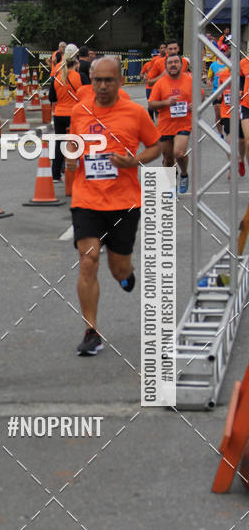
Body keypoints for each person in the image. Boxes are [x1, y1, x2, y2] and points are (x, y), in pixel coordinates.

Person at [65, 56, 161, 356]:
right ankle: (91, 331)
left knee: (117, 267)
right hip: (87, 197)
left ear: (120, 81)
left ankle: (126, 274)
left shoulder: (135, 113)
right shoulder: (80, 111)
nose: (103, 86)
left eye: (109, 80)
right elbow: (73, 142)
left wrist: (134, 160)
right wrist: (70, 154)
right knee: (88, 258)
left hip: (124, 201)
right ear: (90, 81)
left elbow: (156, 145)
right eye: (97, 80)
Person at [148, 53, 195, 192]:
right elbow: (151, 104)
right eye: (170, 63)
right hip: (165, 126)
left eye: (176, 62)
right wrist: (165, 102)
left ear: (181, 64)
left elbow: (201, 94)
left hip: (184, 123)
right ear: (166, 66)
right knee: (168, 159)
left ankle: (184, 174)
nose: (173, 65)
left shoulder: (189, 80)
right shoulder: (160, 83)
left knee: (179, 153)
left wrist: (195, 103)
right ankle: (171, 184)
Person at [51, 43, 82, 182]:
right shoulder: (78, 77)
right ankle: (78, 172)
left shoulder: (57, 75)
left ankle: (56, 174)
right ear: (76, 60)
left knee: (59, 144)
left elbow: (52, 97)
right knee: (77, 144)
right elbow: (86, 94)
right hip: (74, 114)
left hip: (59, 114)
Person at [217, 45, 245, 177]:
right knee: (229, 140)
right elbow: (218, 94)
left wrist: (240, 92)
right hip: (226, 111)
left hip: (240, 111)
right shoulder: (222, 74)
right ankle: (230, 166)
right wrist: (219, 94)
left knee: (241, 141)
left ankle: (240, 159)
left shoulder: (242, 74)